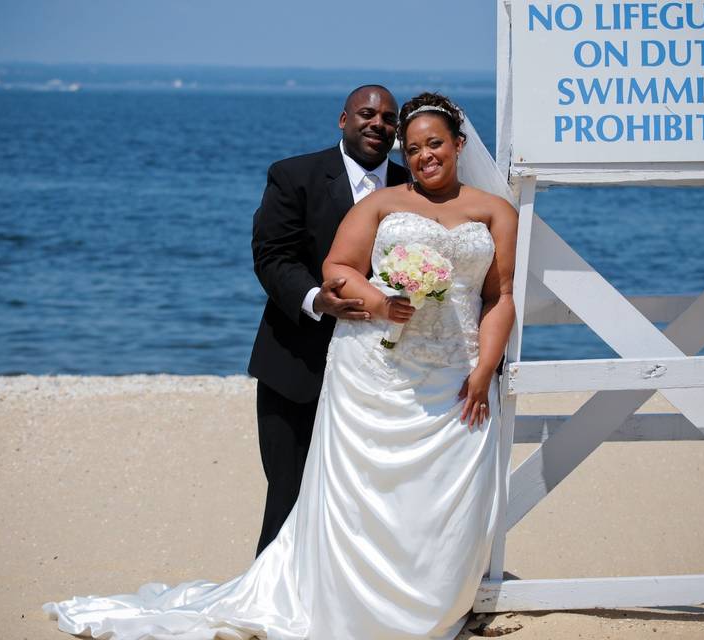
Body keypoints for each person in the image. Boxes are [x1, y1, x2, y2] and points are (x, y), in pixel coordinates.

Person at [44, 92, 518, 639]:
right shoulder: (361, 195)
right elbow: (310, 262)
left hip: (452, 374)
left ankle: (432, 600)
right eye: (412, 147)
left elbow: (499, 295)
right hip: (354, 363)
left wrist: (485, 368)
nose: (421, 154)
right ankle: (334, 600)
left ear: (458, 144)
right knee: (324, 492)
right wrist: (376, 302)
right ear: (349, 122)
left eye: (431, 143)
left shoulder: (492, 210)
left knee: (436, 497)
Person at [247, 84, 410, 554]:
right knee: (289, 493)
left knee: (367, 495)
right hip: (297, 364)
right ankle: (270, 602)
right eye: (367, 113)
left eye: (388, 119)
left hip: (381, 376)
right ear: (343, 120)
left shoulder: (411, 188)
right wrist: (318, 300)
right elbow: (271, 256)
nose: (378, 123)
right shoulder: (294, 175)